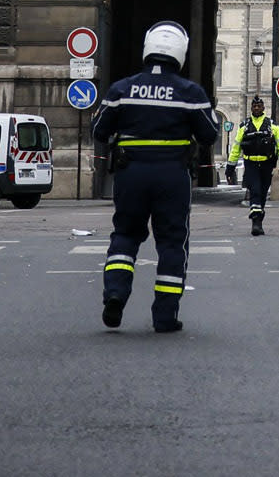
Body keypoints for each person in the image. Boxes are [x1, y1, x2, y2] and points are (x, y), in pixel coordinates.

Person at [93, 21, 219, 334]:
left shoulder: (122, 89)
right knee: (172, 244)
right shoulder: (191, 93)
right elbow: (210, 134)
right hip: (172, 176)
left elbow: (98, 130)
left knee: (125, 235)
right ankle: (164, 317)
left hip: (131, 173)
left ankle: (116, 294)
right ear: (180, 54)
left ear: (147, 48)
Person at [228, 101, 279, 235]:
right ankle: (255, 222)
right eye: (254, 106)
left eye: (259, 106)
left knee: (262, 193)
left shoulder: (272, 126)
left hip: (267, 164)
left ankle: (259, 218)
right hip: (251, 164)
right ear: (251, 108)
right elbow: (236, 148)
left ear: (263, 108)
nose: (256, 108)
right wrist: (230, 168)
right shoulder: (244, 126)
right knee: (255, 191)